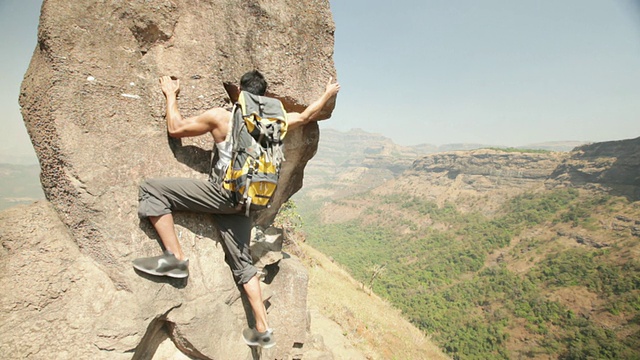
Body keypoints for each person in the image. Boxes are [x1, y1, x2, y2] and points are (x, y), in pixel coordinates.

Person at [132, 70, 340, 349]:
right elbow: (305, 116)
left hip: (223, 194)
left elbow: (176, 128)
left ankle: (174, 259)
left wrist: (170, 95)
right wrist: (327, 94)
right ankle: (263, 329)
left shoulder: (223, 116)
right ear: (264, 96)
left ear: (240, 92)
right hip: (248, 204)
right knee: (243, 265)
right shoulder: (275, 121)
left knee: (152, 189)